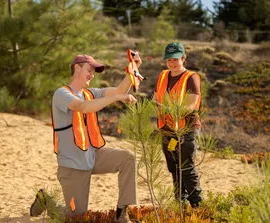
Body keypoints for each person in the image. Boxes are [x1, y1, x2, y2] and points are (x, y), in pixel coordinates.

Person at [30, 53, 142, 223]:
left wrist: (132, 70)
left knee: (127, 159)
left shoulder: (90, 93)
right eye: (89, 70)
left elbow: (119, 91)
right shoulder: (61, 94)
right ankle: (46, 199)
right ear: (77, 68)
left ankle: (121, 215)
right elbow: (82, 107)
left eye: (93, 72)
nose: (92, 75)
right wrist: (114, 98)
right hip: (73, 165)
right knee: (75, 218)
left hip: (93, 156)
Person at [153, 42, 202, 208]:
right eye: (169, 60)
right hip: (167, 129)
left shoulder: (191, 78)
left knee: (186, 167)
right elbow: (156, 97)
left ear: (183, 58)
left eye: (175, 59)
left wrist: (171, 109)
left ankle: (197, 205)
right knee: (173, 166)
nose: (172, 63)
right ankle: (179, 202)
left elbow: (191, 105)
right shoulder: (162, 75)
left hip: (186, 129)